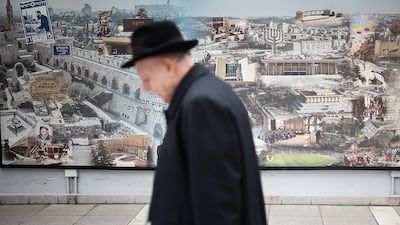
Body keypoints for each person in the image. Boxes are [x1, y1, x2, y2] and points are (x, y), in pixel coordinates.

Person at [122, 20, 267, 225]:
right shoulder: (206, 93)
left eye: (146, 78)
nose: (145, 87)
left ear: (167, 66)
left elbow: (218, 208)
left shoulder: (202, 105)